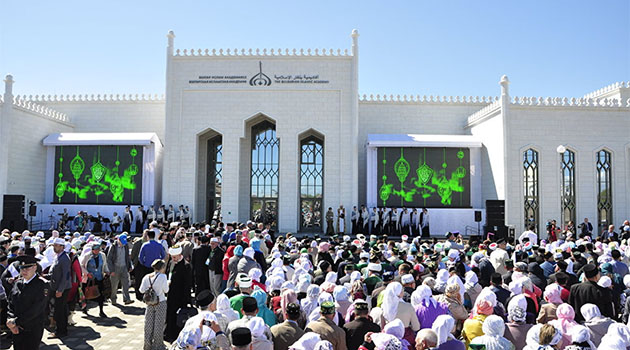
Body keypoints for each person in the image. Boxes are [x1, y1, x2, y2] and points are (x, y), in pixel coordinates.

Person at [6, 255, 48, 350]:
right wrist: (10, 319)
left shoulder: (42, 285)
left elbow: (37, 308)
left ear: (35, 267)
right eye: (21, 268)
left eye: (27, 268)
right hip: (16, 328)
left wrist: (16, 322)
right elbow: (11, 303)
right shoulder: (18, 283)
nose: (24, 271)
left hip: (32, 328)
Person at [164, 244, 193, 343]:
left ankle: (175, 335)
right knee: (169, 315)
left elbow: (187, 284)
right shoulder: (171, 262)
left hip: (180, 296)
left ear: (180, 255)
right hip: (170, 294)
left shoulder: (186, 265)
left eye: (175, 257)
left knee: (178, 317)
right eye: (172, 257)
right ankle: (167, 333)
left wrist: (186, 300)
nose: (173, 259)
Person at [139, 259, 169, 350]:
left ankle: (147, 344)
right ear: (162, 267)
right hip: (160, 302)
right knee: (159, 325)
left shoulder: (146, 277)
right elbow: (166, 290)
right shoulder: (163, 277)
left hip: (149, 302)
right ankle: (158, 345)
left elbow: (141, 290)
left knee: (148, 324)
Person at [48, 237, 72, 338]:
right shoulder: (58, 256)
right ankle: (60, 329)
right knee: (59, 309)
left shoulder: (65, 258)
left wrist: (60, 290)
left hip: (62, 288)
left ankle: (61, 331)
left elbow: (65, 276)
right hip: (56, 287)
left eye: (56, 246)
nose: (55, 247)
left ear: (62, 247)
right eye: (54, 246)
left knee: (60, 310)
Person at [82, 242, 109, 318]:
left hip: (99, 277)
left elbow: (104, 264)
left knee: (100, 294)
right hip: (89, 278)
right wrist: (87, 273)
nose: (97, 251)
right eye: (95, 249)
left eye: (98, 249)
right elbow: (82, 266)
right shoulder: (87, 256)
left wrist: (107, 271)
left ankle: (101, 310)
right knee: (86, 293)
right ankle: (84, 308)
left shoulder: (102, 255)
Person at [106, 233, 133, 305]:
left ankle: (127, 299)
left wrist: (129, 266)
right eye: (122, 242)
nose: (123, 244)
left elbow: (127, 257)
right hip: (115, 268)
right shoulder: (113, 247)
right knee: (114, 285)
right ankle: (113, 299)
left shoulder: (126, 246)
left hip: (124, 267)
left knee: (126, 284)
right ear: (118, 240)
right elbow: (109, 259)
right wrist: (111, 270)